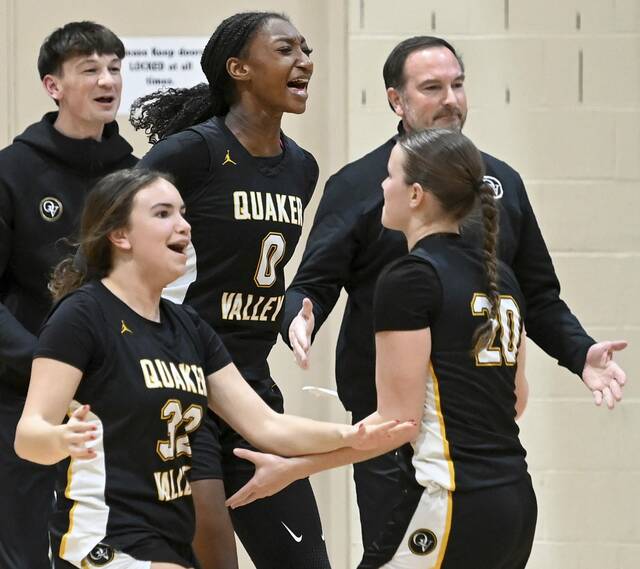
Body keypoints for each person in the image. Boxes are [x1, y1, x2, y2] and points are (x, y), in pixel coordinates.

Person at [281, 35, 628, 548]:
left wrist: (581, 353)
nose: (450, 99)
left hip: (472, 431)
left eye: (458, 85)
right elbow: (312, 283)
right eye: (432, 87)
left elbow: (539, 295)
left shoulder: (500, 182)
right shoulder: (363, 184)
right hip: (388, 422)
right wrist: (299, 315)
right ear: (396, 100)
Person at [226, 129, 627, 568]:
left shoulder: (409, 279)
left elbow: (395, 424)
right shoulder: (501, 277)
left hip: (450, 499)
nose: (381, 186)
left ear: (415, 194)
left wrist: (294, 466)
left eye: (390, 175)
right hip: (514, 501)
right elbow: (516, 400)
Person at [14, 168, 410, 569]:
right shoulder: (81, 316)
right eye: (163, 213)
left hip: (168, 540)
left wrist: (351, 435)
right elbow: (29, 435)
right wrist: (62, 439)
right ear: (120, 235)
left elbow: (266, 426)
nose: (184, 226)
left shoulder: (189, 327)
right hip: (100, 540)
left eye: (184, 213)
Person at [130, 12, 327, 568]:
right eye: (285, 49)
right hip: (180, 387)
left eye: (306, 48)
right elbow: (107, 244)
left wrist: (289, 309)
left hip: (252, 389)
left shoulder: (302, 168)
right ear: (239, 68)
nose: (304, 60)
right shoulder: (191, 153)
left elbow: (259, 265)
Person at [0, 21, 136, 569]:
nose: (107, 81)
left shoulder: (135, 177)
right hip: (23, 396)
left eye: (114, 68)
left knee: (107, 546)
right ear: (53, 86)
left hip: (113, 395)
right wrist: (46, 365)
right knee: (28, 549)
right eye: (90, 70)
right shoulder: (11, 171)